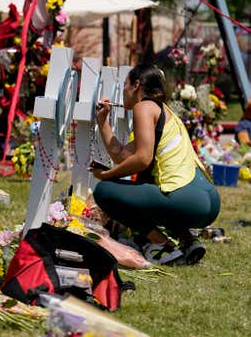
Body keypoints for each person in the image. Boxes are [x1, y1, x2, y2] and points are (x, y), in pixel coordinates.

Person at [89, 64, 220, 265]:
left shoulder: (144, 107)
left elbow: (142, 159)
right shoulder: (163, 111)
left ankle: (161, 245)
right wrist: (103, 122)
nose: (123, 90)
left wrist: (107, 175)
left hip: (189, 199)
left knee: (104, 191)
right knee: (153, 192)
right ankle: (187, 240)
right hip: (207, 199)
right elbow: (121, 156)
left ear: (136, 85)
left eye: (125, 84)